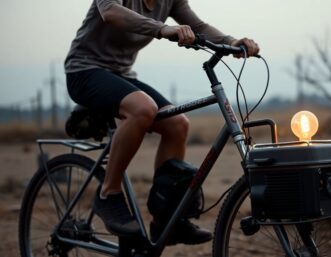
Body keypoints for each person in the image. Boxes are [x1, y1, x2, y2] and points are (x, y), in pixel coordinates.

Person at [64, 0, 259, 245]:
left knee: (177, 123)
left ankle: (165, 220)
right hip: (83, 71)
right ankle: (108, 193)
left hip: (121, 75)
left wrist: (231, 41)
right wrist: (162, 29)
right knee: (143, 109)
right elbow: (110, 12)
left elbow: (197, 24)